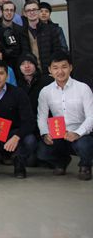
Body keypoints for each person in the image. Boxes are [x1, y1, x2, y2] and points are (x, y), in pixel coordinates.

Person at [37, 52, 93, 180]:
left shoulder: (83, 88)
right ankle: (62, 161)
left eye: (64, 67)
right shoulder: (45, 91)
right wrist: (45, 134)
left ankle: (85, 165)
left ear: (70, 68)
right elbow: (42, 117)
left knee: (85, 145)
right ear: (50, 70)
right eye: (55, 68)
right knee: (42, 152)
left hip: (81, 133)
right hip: (58, 133)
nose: (60, 71)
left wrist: (77, 133)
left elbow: (91, 116)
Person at [23, 0, 66, 72]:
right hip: (30, 73)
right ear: (25, 13)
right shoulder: (21, 32)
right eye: (28, 10)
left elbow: (57, 51)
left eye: (34, 9)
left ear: (38, 11)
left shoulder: (51, 30)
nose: (32, 12)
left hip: (49, 71)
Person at [0, 1, 30, 71]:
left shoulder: (21, 29)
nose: (9, 12)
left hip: (17, 67)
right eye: (6, 10)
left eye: (11, 10)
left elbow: (25, 50)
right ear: (2, 12)